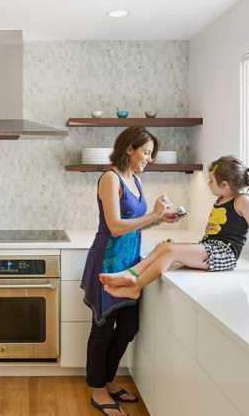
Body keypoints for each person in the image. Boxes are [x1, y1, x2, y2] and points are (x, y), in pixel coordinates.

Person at [80, 126, 179, 416]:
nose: (149, 158)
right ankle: (98, 390)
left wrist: (161, 219)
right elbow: (115, 226)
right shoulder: (110, 178)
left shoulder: (134, 178)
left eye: (151, 154)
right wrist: (152, 215)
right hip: (107, 263)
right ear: (129, 149)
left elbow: (135, 222)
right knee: (102, 328)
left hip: (130, 265)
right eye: (146, 152)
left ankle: (108, 380)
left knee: (127, 327)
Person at [99, 155, 249, 302]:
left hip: (224, 254)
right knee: (164, 246)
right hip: (210, 248)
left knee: (170, 250)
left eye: (211, 181)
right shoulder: (222, 198)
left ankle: (135, 287)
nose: (208, 184)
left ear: (225, 185)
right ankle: (130, 274)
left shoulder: (243, 201)